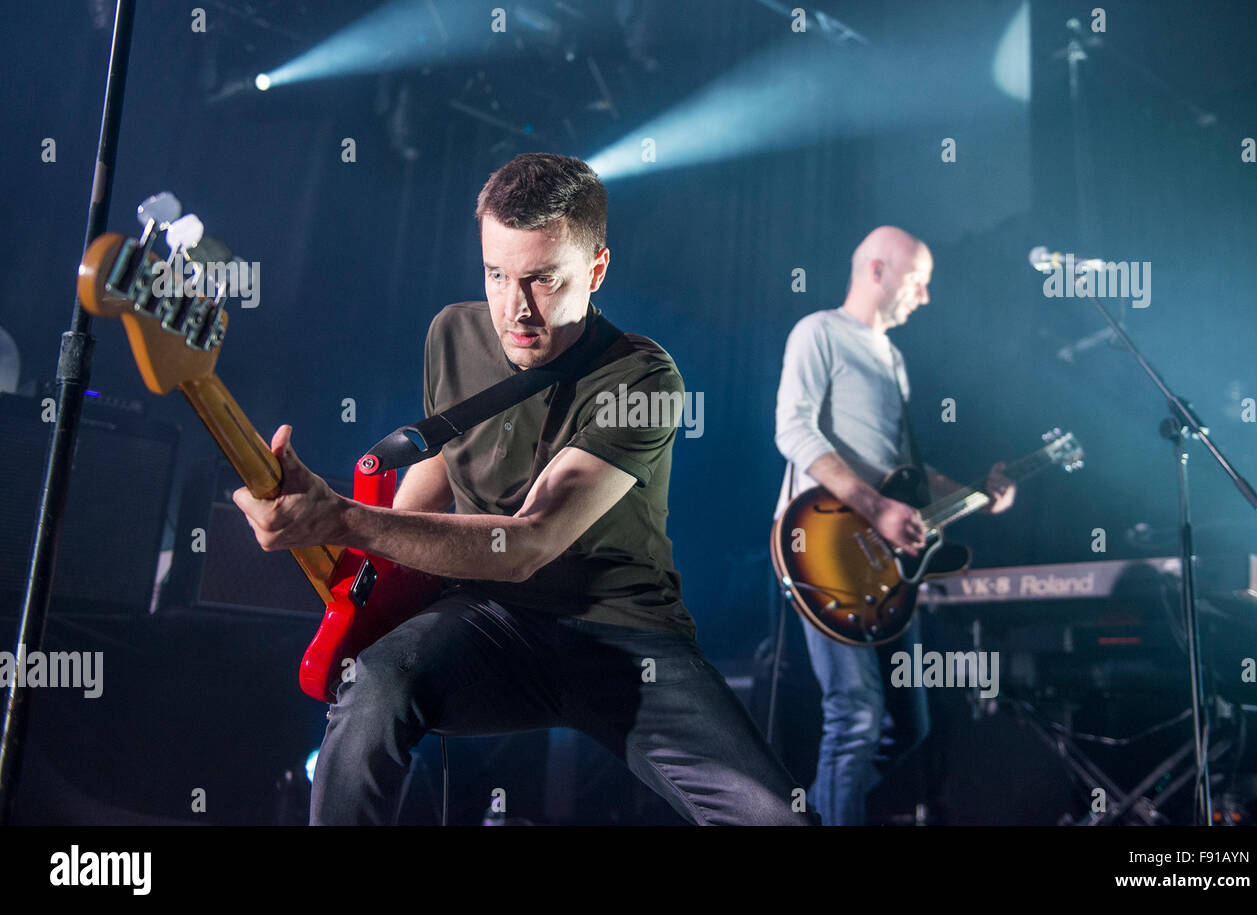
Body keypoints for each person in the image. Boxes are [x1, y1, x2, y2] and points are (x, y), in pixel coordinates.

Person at [234, 152, 814, 826]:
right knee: (373, 685)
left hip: (624, 637)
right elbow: (422, 496)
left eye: (542, 279)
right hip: (489, 624)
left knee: (778, 818)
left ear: (596, 270)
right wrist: (320, 524)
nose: (516, 307)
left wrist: (340, 518)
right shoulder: (452, 334)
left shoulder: (644, 378)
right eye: (496, 274)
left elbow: (527, 541)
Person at [773, 225, 1016, 826]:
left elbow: (904, 471)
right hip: (822, 545)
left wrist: (975, 494)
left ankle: (827, 810)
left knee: (910, 726)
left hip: (882, 565)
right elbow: (794, 430)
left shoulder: (894, 358)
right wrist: (872, 504)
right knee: (854, 713)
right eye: (918, 281)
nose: (925, 296)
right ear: (877, 270)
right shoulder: (819, 332)